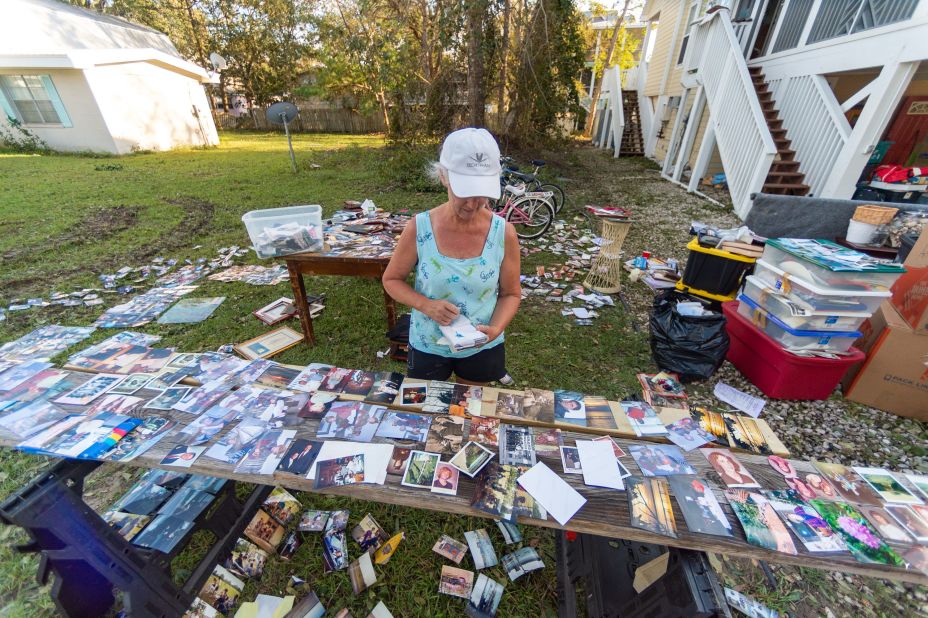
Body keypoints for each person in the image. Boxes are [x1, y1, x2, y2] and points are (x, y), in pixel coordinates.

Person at [382, 128, 521, 385]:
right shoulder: (420, 227)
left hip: (482, 345)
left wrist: (496, 329)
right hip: (428, 344)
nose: (472, 204)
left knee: (471, 412)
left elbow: (510, 293)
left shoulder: (504, 234)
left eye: (480, 193)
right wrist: (426, 305)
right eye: (464, 192)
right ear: (442, 176)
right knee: (428, 412)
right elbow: (392, 280)